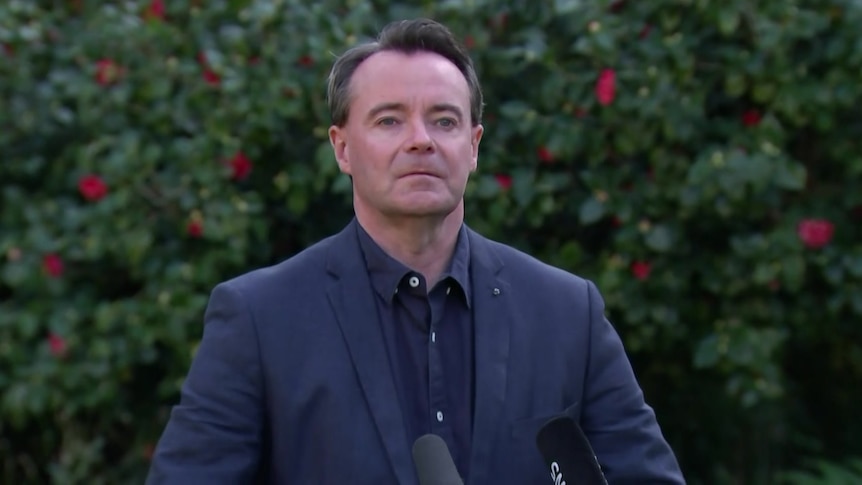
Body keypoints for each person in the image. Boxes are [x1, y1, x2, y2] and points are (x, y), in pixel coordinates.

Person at [146, 18, 685, 484]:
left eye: (444, 120)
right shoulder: (260, 319)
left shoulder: (568, 313)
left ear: (473, 147)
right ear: (342, 148)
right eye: (389, 120)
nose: (421, 139)